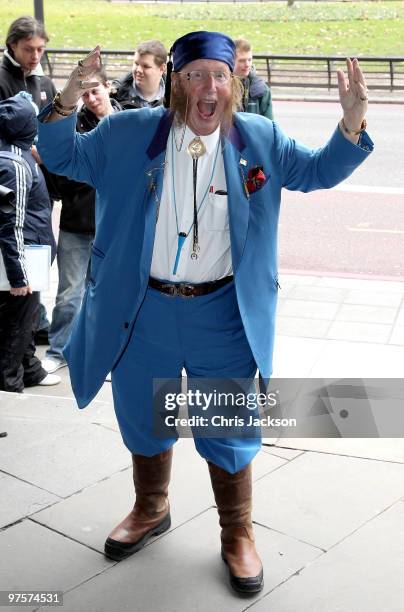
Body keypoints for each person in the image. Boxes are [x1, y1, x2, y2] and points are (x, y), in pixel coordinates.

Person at [37, 31, 372, 595]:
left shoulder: (259, 138)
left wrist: (352, 123)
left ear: (233, 85)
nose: (207, 87)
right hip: (144, 310)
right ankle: (151, 507)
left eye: (218, 76)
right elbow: (63, 154)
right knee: (143, 414)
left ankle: (236, 533)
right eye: (194, 75)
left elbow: (317, 172)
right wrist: (66, 101)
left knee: (229, 423)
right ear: (176, 84)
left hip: (223, 309)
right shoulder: (128, 133)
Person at [41, 69, 122, 374]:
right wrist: (72, 193)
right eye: (85, 94)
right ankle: (60, 349)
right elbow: (56, 164)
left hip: (113, 227)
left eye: (95, 92)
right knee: (70, 293)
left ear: (108, 88)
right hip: (77, 223)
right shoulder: (73, 125)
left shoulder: (127, 124)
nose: (90, 99)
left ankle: (104, 351)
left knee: (109, 294)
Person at [0, 15, 57, 345]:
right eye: (29, 49)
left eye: (40, 49)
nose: (36, 55)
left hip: (38, 185)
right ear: (12, 46)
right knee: (14, 258)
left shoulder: (44, 83)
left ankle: (34, 326)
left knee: (38, 253)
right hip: (10, 182)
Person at [0, 92, 60, 391]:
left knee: (27, 320)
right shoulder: (14, 165)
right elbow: (11, 225)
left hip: (30, 253)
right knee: (18, 325)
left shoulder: (20, 156)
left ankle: (30, 370)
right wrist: (18, 275)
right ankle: (10, 384)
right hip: (26, 256)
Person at [110, 39, 167, 109]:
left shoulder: (176, 94)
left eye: (146, 66)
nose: (138, 70)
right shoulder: (116, 94)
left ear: (162, 68)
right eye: (136, 64)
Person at [234, 38, 273, 120]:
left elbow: (269, 125)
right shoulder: (220, 87)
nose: (247, 64)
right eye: (242, 61)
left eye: (249, 60)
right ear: (231, 61)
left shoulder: (261, 89)